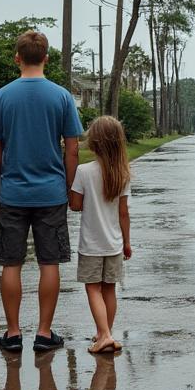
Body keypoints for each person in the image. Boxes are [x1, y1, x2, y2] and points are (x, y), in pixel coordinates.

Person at [0, 31, 83, 354]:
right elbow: (72, 149)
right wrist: (70, 187)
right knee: (49, 262)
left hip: (13, 191)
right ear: (46, 58)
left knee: (10, 263)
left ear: (17, 58)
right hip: (51, 192)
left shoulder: (2, 97)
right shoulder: (61, 97)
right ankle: (44, 332)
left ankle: (13, 334)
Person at [69, 116, 132, 355]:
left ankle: (103, 335)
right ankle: (106, 332)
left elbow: (75, 205)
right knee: (109, 289)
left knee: (93, 289)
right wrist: (127, 242)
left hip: (91, 245)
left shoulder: (84, 172)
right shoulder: (122, 174)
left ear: (94, 142)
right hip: (114, 243)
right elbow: (124, 213)